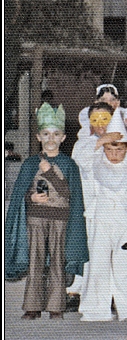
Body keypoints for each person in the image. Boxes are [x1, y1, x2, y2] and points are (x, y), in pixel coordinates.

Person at [7, 104, 89, 319]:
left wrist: (50, 173)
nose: (50, 138)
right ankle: (32, 307)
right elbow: (20, 194)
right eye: (45, 134)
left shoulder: (69, 164)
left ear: (63, 137)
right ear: (38, 136)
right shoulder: (30, 163)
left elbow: (69, 193)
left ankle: (56, 307)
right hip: (35, 218)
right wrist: (30, 197)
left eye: (55, 134)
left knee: (57, 263)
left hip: (61, 219)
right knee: (36, 262)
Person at [80, 135, 127, 322]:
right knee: (97, 264)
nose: (114, 154)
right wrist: (101, 141)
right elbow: (81, 158)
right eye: (109, 149)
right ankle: (95, 309)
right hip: (100, 221)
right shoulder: (95, 166)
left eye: (119, 150)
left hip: (126, 223)